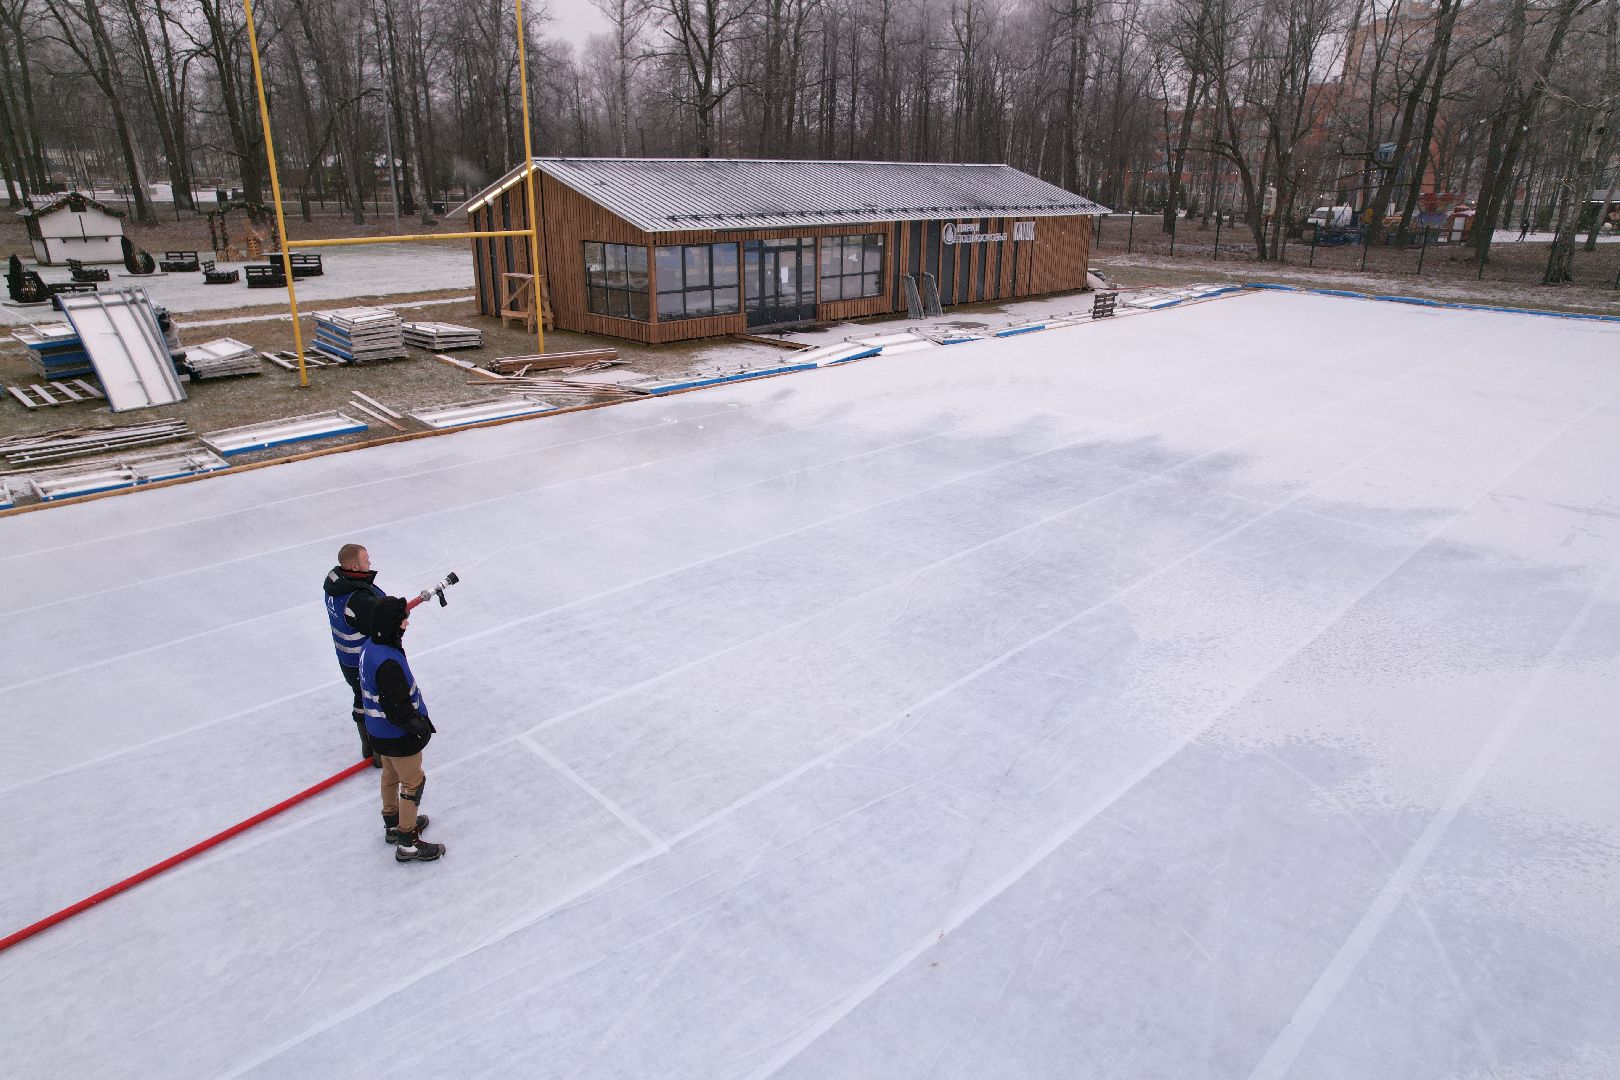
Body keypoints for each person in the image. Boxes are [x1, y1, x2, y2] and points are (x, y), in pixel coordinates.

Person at [360, 595, 445, 863]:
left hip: (378, 731)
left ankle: (393, 824)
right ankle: (407, 841)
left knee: (390, 775)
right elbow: (397, 708)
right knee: (412, 782)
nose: (407, 624)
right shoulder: (388, 663)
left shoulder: (370, 646)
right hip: (396, 735)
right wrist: (419, 728)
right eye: (403, 620)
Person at [323, 544, 385, 767]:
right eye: (366, 560)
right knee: (375, 702)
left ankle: (368, 747)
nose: (370, 563)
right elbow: (380, 624)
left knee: (360, 697)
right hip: (362, 660)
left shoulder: (335, 586)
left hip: (346, 659)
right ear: (355, 566)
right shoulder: (356, 599)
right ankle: (379, 753)